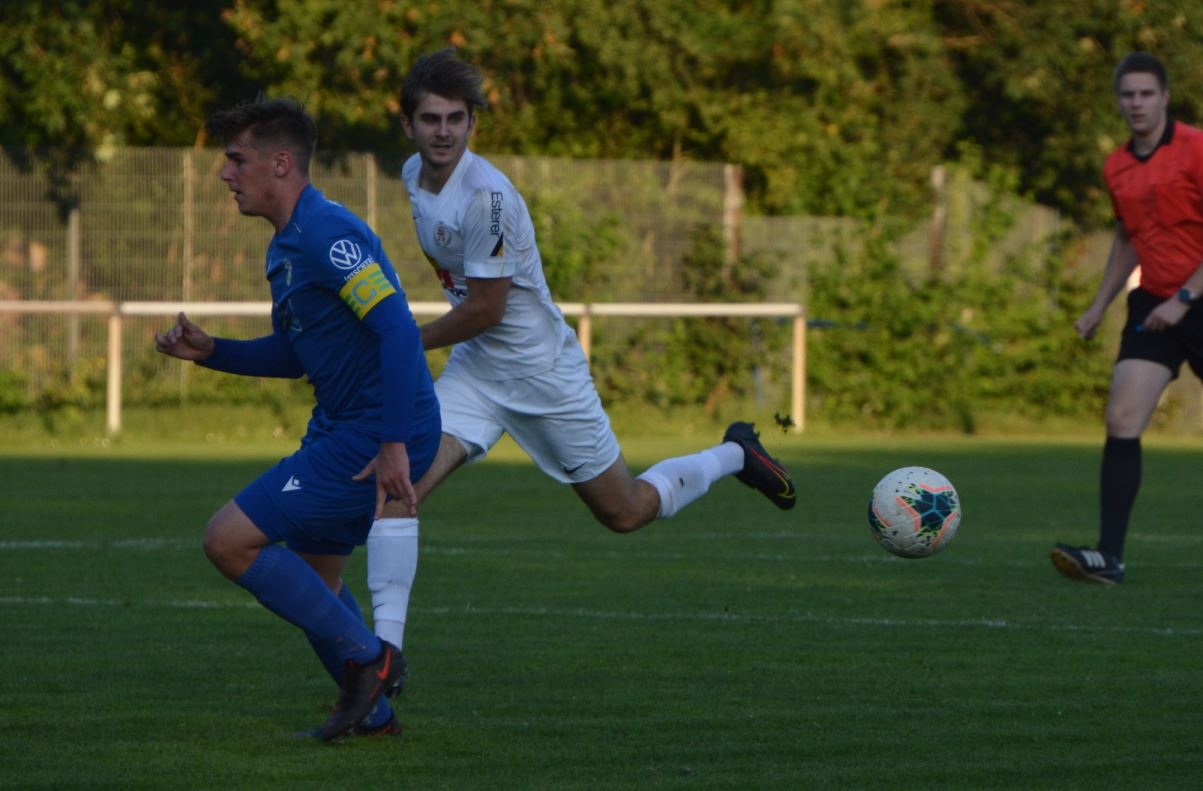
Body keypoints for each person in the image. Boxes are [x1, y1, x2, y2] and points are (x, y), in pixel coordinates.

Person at [360, 49, 796, 669]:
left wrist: (400, 341)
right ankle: (384, 662)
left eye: (456, 119)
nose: (444, 132)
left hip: (543, 376)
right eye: (431, 119)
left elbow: (485, 309)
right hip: (477, 372)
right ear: (407, 124)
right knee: (397, 490)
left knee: (625, 512)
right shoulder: (412, 174)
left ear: (472, 123)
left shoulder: (486, 199)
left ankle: (736, 454)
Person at [155, 97, 441, 739]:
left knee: (227, 540)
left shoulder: (326, 235)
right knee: (315, 579)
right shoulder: (287, 246)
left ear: (281, 163)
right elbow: (296, 353)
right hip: (346, 425)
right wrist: (212, 351)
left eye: (237, 159)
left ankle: (371, 658)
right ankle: (375, 717)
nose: (226, 174)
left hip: (375, 430)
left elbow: (397, 328)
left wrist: (393, 442)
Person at [1051, 52, 1203, 585]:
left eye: (1146, 93)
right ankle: (1109, 558)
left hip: (1192, 297)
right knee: (1121, 417)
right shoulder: (1116, 166)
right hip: (1154, 305)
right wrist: (1099, 305)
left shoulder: (1196, 148)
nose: (1136, 103)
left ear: (1165, 97)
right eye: (1127, 94)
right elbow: (1126, 239)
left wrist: (1185, 297)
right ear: (1118, 101)